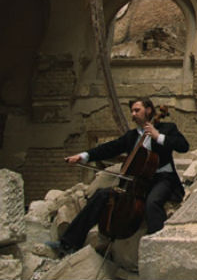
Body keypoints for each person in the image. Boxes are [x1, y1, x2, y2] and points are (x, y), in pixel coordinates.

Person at [47, 97, 189, 256]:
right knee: (101, 195)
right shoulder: (131, 136)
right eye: (132, 111)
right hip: (136, 182)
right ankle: (68, 243)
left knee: (152, 203)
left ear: (149, 110)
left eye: (137, 110)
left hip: (163, 178)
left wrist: (157, 136)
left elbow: (183, 146)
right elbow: (109, 148)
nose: (133, 114)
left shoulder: (167, 128)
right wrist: (84, 156)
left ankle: (158, 251)